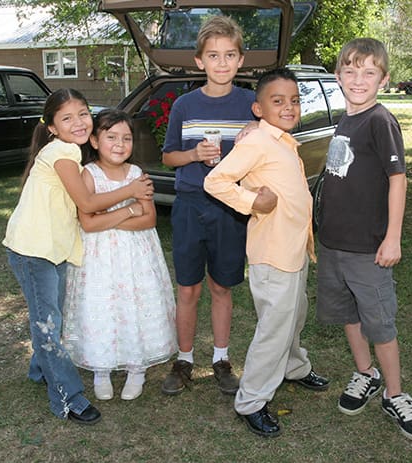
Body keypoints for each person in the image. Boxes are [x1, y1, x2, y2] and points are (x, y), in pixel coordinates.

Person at [3, 89, 154, 423]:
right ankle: (68, 399)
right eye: (67, 117)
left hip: (53, 248)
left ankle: (39, 370)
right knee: (47, 324)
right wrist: (131, 193)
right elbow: (87, 204)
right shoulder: (61, 152)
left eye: (83, 113)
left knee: (48, 316)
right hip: (32, 249)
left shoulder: (69, 151)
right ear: (52, 127)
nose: (79, 122)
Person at [315, 38, 412, 442]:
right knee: (348, 313)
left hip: (369, 248)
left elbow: (397, 180)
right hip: (333, 245)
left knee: (378, 322)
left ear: (383, 79)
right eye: (350, 71)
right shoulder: (345, 121)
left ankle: (395, 394)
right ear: (338, 76)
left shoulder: (380, 121)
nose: (358, 79)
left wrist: (393, 237)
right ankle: (365, 373)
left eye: (368, 73)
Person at [204, 68, 330, 437]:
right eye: (278, 101)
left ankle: (294, 367)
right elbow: (216, 181)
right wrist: (253, 201)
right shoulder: (258, 141)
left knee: (294, 318)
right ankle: (252, 400)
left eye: (294, 100)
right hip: (272, 254)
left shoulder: (282, 141)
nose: (289, 107)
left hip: (293, 250)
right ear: (259, 108)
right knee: (274, 328)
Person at [160, 15, 256, 396]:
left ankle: (221, 359)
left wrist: (256, 133)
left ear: (240, 60)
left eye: (229, 55)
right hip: (189, 205)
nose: (221, 63)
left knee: (221, 286)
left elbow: (272, 145)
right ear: (199, 61)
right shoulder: (184, 105)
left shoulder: (252, 104)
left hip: (230, 209)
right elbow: (168, 157)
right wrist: (193, 154)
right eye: (213, 56)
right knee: (187, 289)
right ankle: (184, 360)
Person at [61, 109, 177, 401]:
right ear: (95, 140)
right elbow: (88, 220)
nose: (120, 144)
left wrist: (108, 216)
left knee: (133, 304)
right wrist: (128, 208)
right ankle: (102, 368)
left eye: (126, 138)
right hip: (98, 259)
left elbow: (149, 219)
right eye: (111, 137)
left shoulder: (137, 174)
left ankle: (136, 367)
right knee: (101, 307)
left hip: (136, 255)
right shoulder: (88, 174)